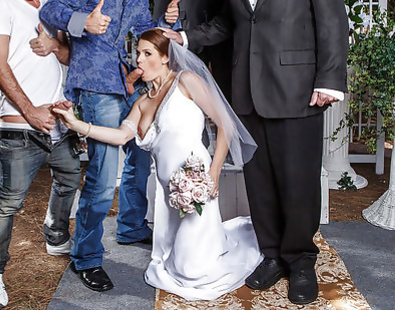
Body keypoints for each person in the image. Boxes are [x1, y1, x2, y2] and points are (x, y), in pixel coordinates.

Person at [165, 0, 349, 305]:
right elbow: (227, 24)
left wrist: (329, 79)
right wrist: (186, 38)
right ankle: (271, 255)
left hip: (297, 90)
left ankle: (300, 261)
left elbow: (332, 20)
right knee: (259, 181)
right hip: (246, 92)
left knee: (298, 181)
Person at [52, 28, 261, 300]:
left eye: (147, 53)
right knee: (177, 267)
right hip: (167, 196)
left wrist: (214, 172)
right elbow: (120, 136)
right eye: (138, 53)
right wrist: (76, 124)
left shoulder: (186, 81)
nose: (139, 59)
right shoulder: (142, 102)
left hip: (196, 184)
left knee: (194, 272)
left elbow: (226, 124)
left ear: (165, 57)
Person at [39, 0, 178, 292]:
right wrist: (82, 22)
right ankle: (86, 257)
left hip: (128, 84)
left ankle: (130, 227)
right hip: (95, 87)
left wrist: (169, 23)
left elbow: (146, 32)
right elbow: (49, 10)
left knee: (141, 157)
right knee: (102, 177)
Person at [0, 0, 81, 309]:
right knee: (8, 201)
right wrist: (30, 110)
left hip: (59, 123)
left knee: (70, 179)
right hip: (19, 124)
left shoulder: (51, 8)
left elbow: (67, 56)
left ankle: (55, 233)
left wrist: (54, 47)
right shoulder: (1, 3)